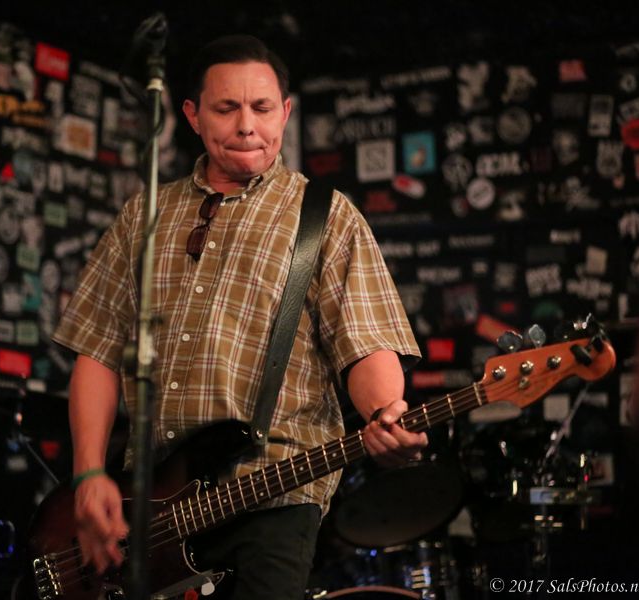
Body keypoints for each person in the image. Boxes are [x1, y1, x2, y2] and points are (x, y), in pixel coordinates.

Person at [53, 35, 426, 599]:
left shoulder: (326, 216)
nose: (247, 125)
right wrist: (88, 474)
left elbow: (365, 343)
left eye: (262, 108)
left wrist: (386, 413)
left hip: (275, 493)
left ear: (286, 113)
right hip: (152, 507)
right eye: (227, 108)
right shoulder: (144, 214)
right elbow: (97, 350)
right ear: (192, 116)